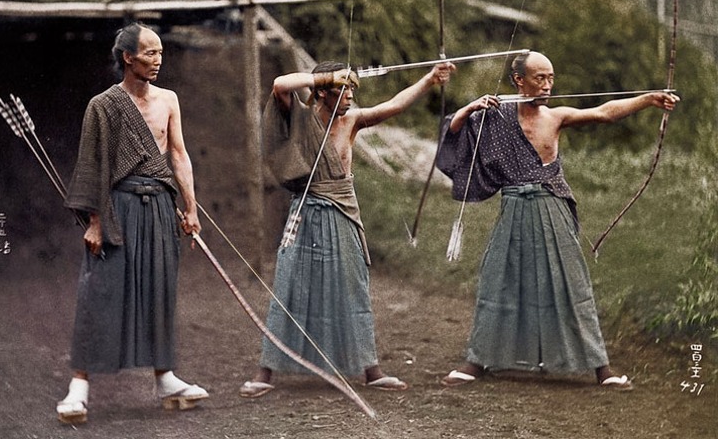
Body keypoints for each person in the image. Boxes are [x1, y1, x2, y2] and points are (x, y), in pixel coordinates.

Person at [436, 51, 679, 391]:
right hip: (514, 207)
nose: (548, 86)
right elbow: (454, 132)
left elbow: (604, 113)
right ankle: (477, 360)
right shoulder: (495, 115)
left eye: (551, 78)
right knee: (498, 279)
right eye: (540, 78)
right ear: (519, 80)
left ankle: (601, 367)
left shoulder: (556, 116)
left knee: (571, 282)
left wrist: (649, 99)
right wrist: (470, 108)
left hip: (551, 206)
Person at [239, 60, 454, 398]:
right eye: (344, 88)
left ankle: (371, 371)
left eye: (353, 88)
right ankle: (265, 372)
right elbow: (280, 83)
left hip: (342, 213)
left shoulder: (351, 121)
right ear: (322, 92)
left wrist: (429, 80)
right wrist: (324, 76)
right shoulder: (301, 119)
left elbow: (393, 106)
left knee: (353, 287)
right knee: (290, 285)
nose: (351, 95)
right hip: (308, 212)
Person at [56, 22, 208, 424]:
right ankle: (78, 388)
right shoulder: (103, 105)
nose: (158, 60)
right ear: (128, 57)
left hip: (159, 205)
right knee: (100, 291)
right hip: (116, 207)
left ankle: (165, 378)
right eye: (150, 53)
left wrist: (190, 208)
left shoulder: (169, 100)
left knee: (159, 288)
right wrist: (94, 221)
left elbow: (178, 154)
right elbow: (91, 166)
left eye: (160, 53)